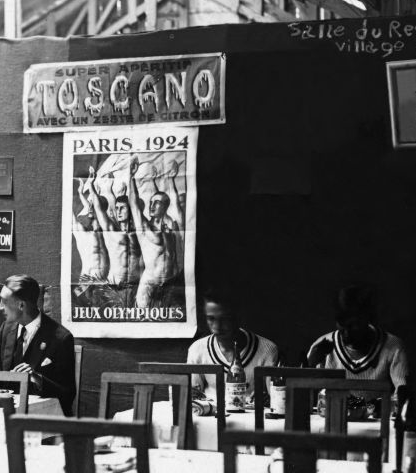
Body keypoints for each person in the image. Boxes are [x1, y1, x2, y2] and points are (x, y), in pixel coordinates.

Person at [306, 284, 409, 400]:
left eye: (353, 325)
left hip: (378, 417)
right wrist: (309, 365)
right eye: (342, 325)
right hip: (332, 416)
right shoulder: (322, 345)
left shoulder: (393, 346)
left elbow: (403, 391)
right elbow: (305, 393)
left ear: (368, 320)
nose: (346, 333)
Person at [0, 275, 76, 416]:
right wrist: (8, 378)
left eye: (4, 301)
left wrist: (37, 379)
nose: (0, 306)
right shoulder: (6, 329)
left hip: (43, 419)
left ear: (21, 305)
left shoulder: (61, 338)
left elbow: (67, 393)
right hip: (6, 414)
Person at [186, 288, 280, 404]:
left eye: (225, 319)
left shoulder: (267, 350)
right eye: (211, 318)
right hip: (211, 418)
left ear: (238, 317)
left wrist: (268, 398)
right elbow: (193, 393)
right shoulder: (197, 349)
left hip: (251, 419)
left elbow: (276, 397)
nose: (217, 326)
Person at [128, 156, 184, 310]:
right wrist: (131, 177)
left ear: (165, 206)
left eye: (157, 202)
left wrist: (171, 180)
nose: (152, 206)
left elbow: (176, 204)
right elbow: (134, 205)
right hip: (150, 282)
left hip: (170, 282)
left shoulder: (171, 226)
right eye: (151, 202)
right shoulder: (145, 227)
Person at [85, 166, 142, 308]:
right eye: (117, 208)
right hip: (114, 286)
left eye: (123, 208)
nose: (119, 211)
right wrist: (91, 186)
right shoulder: (112, 231)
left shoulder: (139, 233)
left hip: (135, 286)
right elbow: (98, 208)